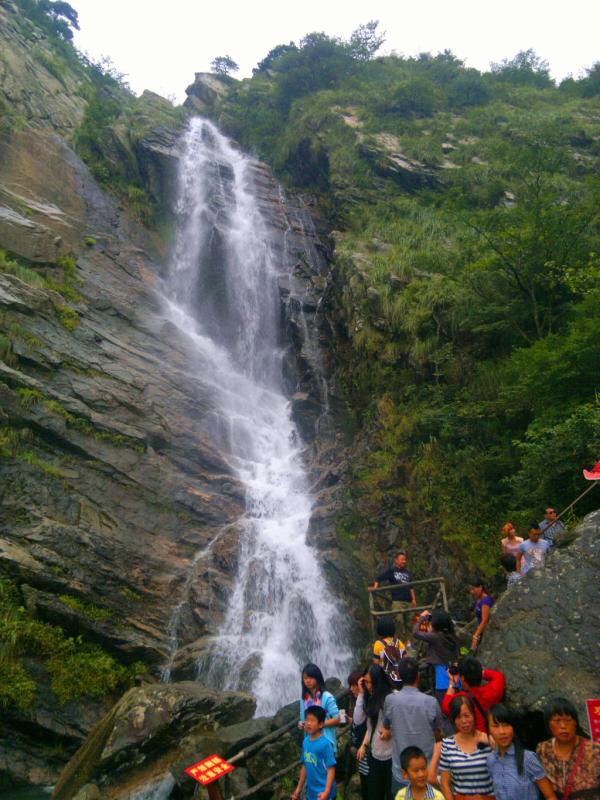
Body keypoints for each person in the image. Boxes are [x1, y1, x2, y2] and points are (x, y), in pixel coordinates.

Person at [382, 657, 443, 796]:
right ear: (418, 675)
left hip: (401, 772)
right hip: (426, 771)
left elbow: (386, 727)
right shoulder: (431, 702)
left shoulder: (390, 700)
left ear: (399, 676)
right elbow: (438, 735)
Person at [486, 704, 558, 800]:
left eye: (506, 725)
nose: (502, 732)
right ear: (489, 730)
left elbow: (550, 797)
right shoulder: (491, 760)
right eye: (495, 726)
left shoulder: (528, 758)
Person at [430, 694, 494, 800]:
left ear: (473, 715)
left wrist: (491, 741)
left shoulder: (487, 740)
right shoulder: (447, 744)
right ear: (453, 720)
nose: (463, 721)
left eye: (467, 715)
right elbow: (445, 783)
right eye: (458, 717)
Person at [536, 696, 600, 799]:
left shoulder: (594, 750)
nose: (563, 726)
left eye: (568, 720)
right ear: (548, 725)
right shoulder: (543, 749)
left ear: (576, 723)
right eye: (557, 721)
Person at [355, 665, 394, 800]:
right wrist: (363, 745)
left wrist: (390, 731)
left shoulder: (390, 699)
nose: (366, 685)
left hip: (391, 756)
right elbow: (360, 721)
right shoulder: (371, 698)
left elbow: (401, 723)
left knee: (390, 794)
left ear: (377, 681)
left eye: (368, 682)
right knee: (374, 794)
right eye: (364, 681)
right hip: (374, 754)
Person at [441, 656, 505, 734]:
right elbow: (498, 675)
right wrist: (476, 672)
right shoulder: (493, 690)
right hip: (491, 735)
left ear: (463, 678)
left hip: (473, 739)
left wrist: (452, 683)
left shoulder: (462, 699)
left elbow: (445, 707)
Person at [412, 610, 459, 709]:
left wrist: (421, 618)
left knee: (443, 708)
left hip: (442, 680)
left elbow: (415, 633)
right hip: (455, 678)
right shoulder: (452, 636)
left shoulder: (435, 637)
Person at [370, 551, 417, 641]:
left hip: (409, 601)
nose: (404, 561)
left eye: (405, 560)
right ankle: (400, 643)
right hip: (397, 601)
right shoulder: (392, 571)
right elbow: (378, 578)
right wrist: (375, 588)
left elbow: (411, 587)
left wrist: (414, 599)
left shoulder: (407, 573)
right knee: (399, 621)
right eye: (402, 559)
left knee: (410, 623)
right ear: (396, 560)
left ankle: (410, 644)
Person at [292, 705, 337, 800]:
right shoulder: (306, 742)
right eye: (307, 720)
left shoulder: (325, 744)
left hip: (324, 793)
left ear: (320, 724)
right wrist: (298, 788)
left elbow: (331, 769)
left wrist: (326, 792)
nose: (308, 723)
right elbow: (305, 765)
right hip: (311, 792)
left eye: (312, 721)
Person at [299, 663, 340, 752]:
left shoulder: (327, 697)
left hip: (325, 742)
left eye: (310, 678)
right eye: (305, 678)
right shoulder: (303, 699)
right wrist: (301, 724)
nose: (308, 681)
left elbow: (338, 719)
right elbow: (303, 720)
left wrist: (318, 725)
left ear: (317, 678)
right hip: (310, 743)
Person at [346, 671, 369, 800]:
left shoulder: (365, 701)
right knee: (364, 777)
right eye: (351, 685)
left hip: (365, 749)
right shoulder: (357, 701)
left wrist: (361, 693)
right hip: (359, 749)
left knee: (367, 781)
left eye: (355, 685)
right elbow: (358, 720)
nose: (352, 689)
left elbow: (366, 723)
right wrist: (350, 720)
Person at [467, 578, 494, 652]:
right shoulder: (479, 599)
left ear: (480, 587)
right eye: (470, 590)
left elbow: (484, 620)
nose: (471, 592)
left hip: (484, 631)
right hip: (480, 630)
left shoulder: (485, 601)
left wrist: (475, 636)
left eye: (473, 589)